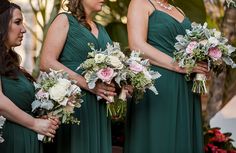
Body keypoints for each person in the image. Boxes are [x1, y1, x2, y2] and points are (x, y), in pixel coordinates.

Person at [124, 0, 209, 153]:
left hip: (186, 86)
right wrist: (180, 65)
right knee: (159, 139)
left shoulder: (178, 10)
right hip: (158, 85)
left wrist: (202, 60)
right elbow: (137, 45)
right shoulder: (140, 3)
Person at [40, 0, 117, 153]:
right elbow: (46, 62)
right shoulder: (64, 20)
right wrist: (88, 84)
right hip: (74, 104)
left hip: (99, 106)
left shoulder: (101, 28)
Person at [0, 1, 59, 153]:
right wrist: (34, 123)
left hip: (27, 140)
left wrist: (43, 117)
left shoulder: (11, 63)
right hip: (11, 142)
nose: (24, 30)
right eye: (17, 22)